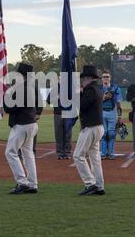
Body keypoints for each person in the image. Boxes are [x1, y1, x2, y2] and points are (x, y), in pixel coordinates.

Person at [3, 63, 43, 194]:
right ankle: (32, 184)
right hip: (31, 124)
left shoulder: (21, 89)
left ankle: (22, 182)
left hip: (22, 125)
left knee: (10, 152)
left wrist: (7, 93)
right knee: (28, 154)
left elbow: (9, 108)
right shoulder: (31, 87)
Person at [73, 65, 105, 195]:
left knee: (78, 155)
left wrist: (77, 94)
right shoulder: (97, 89)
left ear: (88, 78)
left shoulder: (91, 90)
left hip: (91, 127)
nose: (82, 81)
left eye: (83, 79)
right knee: (94, 157)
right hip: (97, 126)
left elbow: (82, 105)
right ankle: (99, 185)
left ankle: (90, 183)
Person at [99, 70, 123, 160]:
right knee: (103, 133)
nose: (106, 78)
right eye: (104, 77)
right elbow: (95, 102)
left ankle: (111, 152)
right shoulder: (99, 89)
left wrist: (120, 116)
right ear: (101, 79)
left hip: (112, 112)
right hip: (101, 111)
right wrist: (104, 98)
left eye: (107, 77)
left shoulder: (116, 88)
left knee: (112, 133)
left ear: (110, 78)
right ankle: (103, 153)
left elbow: (119, 104)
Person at [46, 80, 72, 160]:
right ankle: (60, 153)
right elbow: (48, 100)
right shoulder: (55, 89)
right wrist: (56, 97)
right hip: (58, 113)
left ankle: (67, 152)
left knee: (68, 134)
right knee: (58, 134)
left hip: (68, 113)